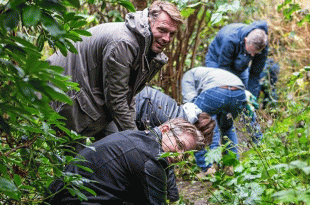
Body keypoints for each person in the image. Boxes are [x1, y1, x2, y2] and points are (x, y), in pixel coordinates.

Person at [48, 1, 183, 141]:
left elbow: (129, 96)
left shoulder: (145, 46)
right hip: (60, 97)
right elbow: (116, 100)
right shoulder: (124, 43)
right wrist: (137, 140)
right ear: (149, 21)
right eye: (162, 30)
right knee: (70, 157)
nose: (167, 38)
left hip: (86, 100)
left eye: (172, 34)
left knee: (115, 147)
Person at [45, 118, 211, 204]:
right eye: (180, 145)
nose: (180, 155)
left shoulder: (140, 138)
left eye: (186, 153)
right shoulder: (151, 158)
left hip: (58, 195)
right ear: (165, 129)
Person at [182, 67, 247, 176]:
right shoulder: (212, 72)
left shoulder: (188, 75)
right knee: (227, 127)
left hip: (217, 91)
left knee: (196, 124)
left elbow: (191, 104)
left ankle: (208, 168)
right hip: (239, 93)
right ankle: (231, 166)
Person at [205, 20, 268, 98]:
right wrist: (231, 87)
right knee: (220, 91)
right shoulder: (230, 40)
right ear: (246, 40)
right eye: (251, 51)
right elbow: (224, 70)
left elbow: (255, 74)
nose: (252, 55)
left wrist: (251, 97)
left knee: (242, 92)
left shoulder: (262, 46)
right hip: (217, 59)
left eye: (255, 53)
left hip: (240, 62)